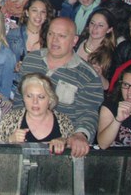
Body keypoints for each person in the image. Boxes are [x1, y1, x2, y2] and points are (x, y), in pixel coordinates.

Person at [15, 17, 104, 157]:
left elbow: (89, 113)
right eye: (51, 34)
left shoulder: (87, 76)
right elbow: (19, 99)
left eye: (61, 36)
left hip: (63, 143)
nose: (54, 40)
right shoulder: (31, 60)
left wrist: (80, 135)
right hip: (24, 136)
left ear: (74, 40)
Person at [0, 73, 75, 155]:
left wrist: (65, 142)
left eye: (41, 97)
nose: (35, 102)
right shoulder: (10, 120)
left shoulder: (64, 121)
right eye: (29, 96)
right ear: (23, 98)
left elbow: (77, 157)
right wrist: (10, 141)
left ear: (50, 99)